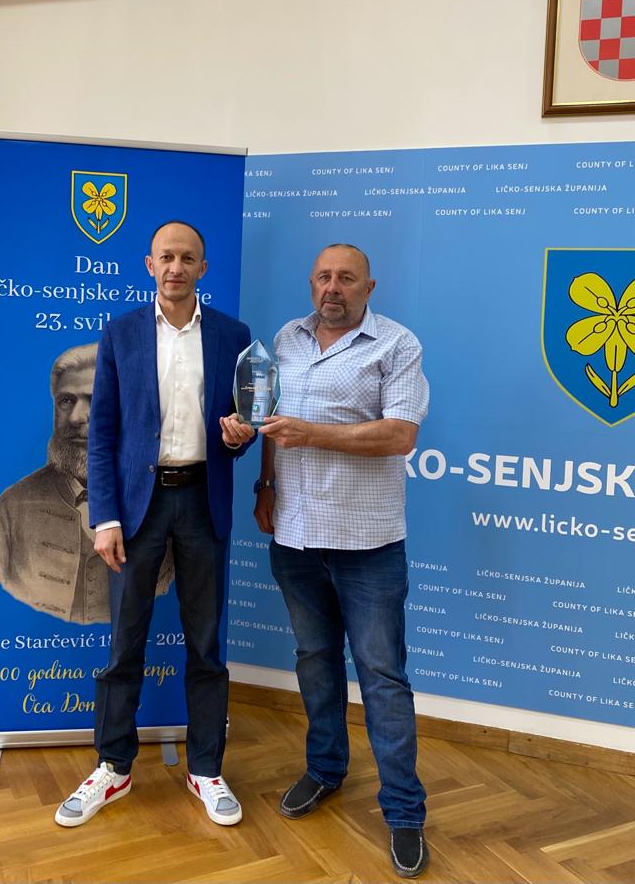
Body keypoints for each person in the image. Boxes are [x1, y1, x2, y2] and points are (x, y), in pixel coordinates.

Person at [55, 220, 254, 830]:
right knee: (125, 643)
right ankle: (113, 766)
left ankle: (206, 769)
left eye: (187, 258)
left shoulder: (233, 336)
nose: (176, 267)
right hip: (136, 508)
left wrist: (239, 438)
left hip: (202, 501)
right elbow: (103, 435)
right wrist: (105, 517)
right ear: (150, 265)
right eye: (166, 257)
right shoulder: (121, 333)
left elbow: (242, 423)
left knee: (206, 644)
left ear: (203, 269)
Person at [254, 243, 430, 879]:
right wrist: (266, 482)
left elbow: (399, 434)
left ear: (369, 287)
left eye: (347, 278)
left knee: (382, 677)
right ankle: (325, 769)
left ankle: (404, 812)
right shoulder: (286, 339)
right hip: (295, 538)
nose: (334, 287)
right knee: (315, 661)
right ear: (312, 284)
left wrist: (311, 434)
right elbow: (271, 421)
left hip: (368, 545)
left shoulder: (397, 345)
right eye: (324, 276)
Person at [0, 344, 174, 624]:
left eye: (96, 400)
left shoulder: (164, 504)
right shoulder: (7, 514)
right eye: (66, 401)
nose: (76, 417)